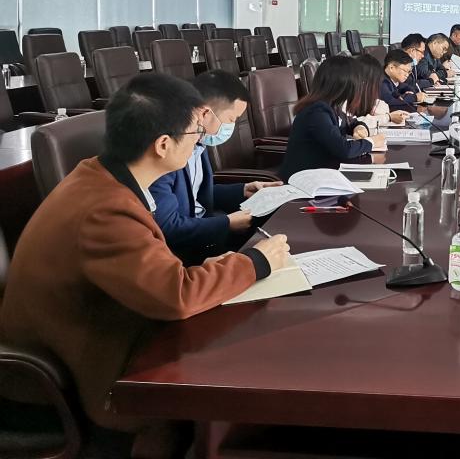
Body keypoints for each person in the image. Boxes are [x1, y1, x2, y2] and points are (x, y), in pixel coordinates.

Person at [0, 73, 289, 441]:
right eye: (194, 132)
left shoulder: (100, 177)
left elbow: (152, 265)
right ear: (163, 145)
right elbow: (175, 295)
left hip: (108, 330)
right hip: (65, 382)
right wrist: (256, 261)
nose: (200, 139)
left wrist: (208, 269)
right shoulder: (105, 211)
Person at [150, 70, 281, 266]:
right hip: (185, 251)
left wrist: (243, 190)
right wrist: (226, 223)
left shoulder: (199, 142)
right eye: (232, 119)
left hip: (205, 227)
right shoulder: (167, 151)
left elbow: (193, 193)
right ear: (205, 113)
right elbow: (167, 227)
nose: (232, 127)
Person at [278, 56, 386, 180]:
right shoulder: (317, 112)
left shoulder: (331, 105)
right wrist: (372, 142)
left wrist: (359, 127)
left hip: (323, 174)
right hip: (303, 181)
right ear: (344, 84)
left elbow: (351, 123)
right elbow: (344, 150)